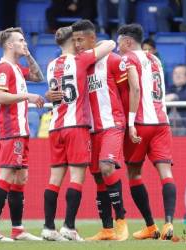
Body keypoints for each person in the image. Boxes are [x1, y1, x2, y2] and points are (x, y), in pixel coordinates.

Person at [42, 26, 115, 241]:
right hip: (76, 126)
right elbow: (111, 44)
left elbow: (53, 93)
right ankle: (69, 226)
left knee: (54, 179)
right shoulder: (81, 60)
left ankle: (48, 227)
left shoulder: (51, 65)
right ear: (73, 42)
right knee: (77, 177)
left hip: (55, 126)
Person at [70, 19, 129, 241]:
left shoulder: (112, 61)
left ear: (92, 39)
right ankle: (106, 229)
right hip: (90, 129)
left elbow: (126, 92)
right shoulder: (79, 64)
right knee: (97, 176)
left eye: (80, 39)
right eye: (74, 40)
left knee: (106, 167)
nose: (76, 44)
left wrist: (126, 122)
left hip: (112, 124)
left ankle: (121, 220)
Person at [117, 23, 176, 240]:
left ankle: (151, 226)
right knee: (166, 173)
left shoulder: (128, 58)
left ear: (127, 41)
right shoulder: (155, 59)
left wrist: (130, 122)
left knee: (134, 172)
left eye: (119, 42)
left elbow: (135, 88)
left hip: (141, 122)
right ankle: (169, 222)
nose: (117, 47)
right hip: (162, 122)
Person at [0, 27, 45, 241]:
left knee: (21, 177)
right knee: (7, 176)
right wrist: (27, 96)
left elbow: (38, 77)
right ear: (10, 45)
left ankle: (18, 229)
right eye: (21, 41)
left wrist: (28, 55)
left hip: (21, 130)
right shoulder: (3, 68)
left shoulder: (17, 68)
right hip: (11, 129)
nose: (25, 43)